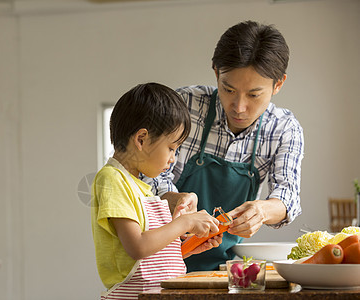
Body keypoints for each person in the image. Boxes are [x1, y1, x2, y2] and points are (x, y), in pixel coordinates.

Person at [142, 20, 304, 272]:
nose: (239, 107)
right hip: (159, 260)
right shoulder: (185, 104)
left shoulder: (284, 128)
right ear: (216, 72)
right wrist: (174, 199)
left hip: (224, 266)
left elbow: (288, 197)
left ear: (278, 84)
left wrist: (261, 211)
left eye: (253, 94)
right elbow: (142, 173)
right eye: (228, 89)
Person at [91, 82, 223, 299]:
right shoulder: (112, 179)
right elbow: (138, 247)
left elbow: (147, 261)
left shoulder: (141, 187)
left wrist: (189, 247)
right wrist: (185, 223)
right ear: (141, 139)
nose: (173, 159)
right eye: (171, 148)